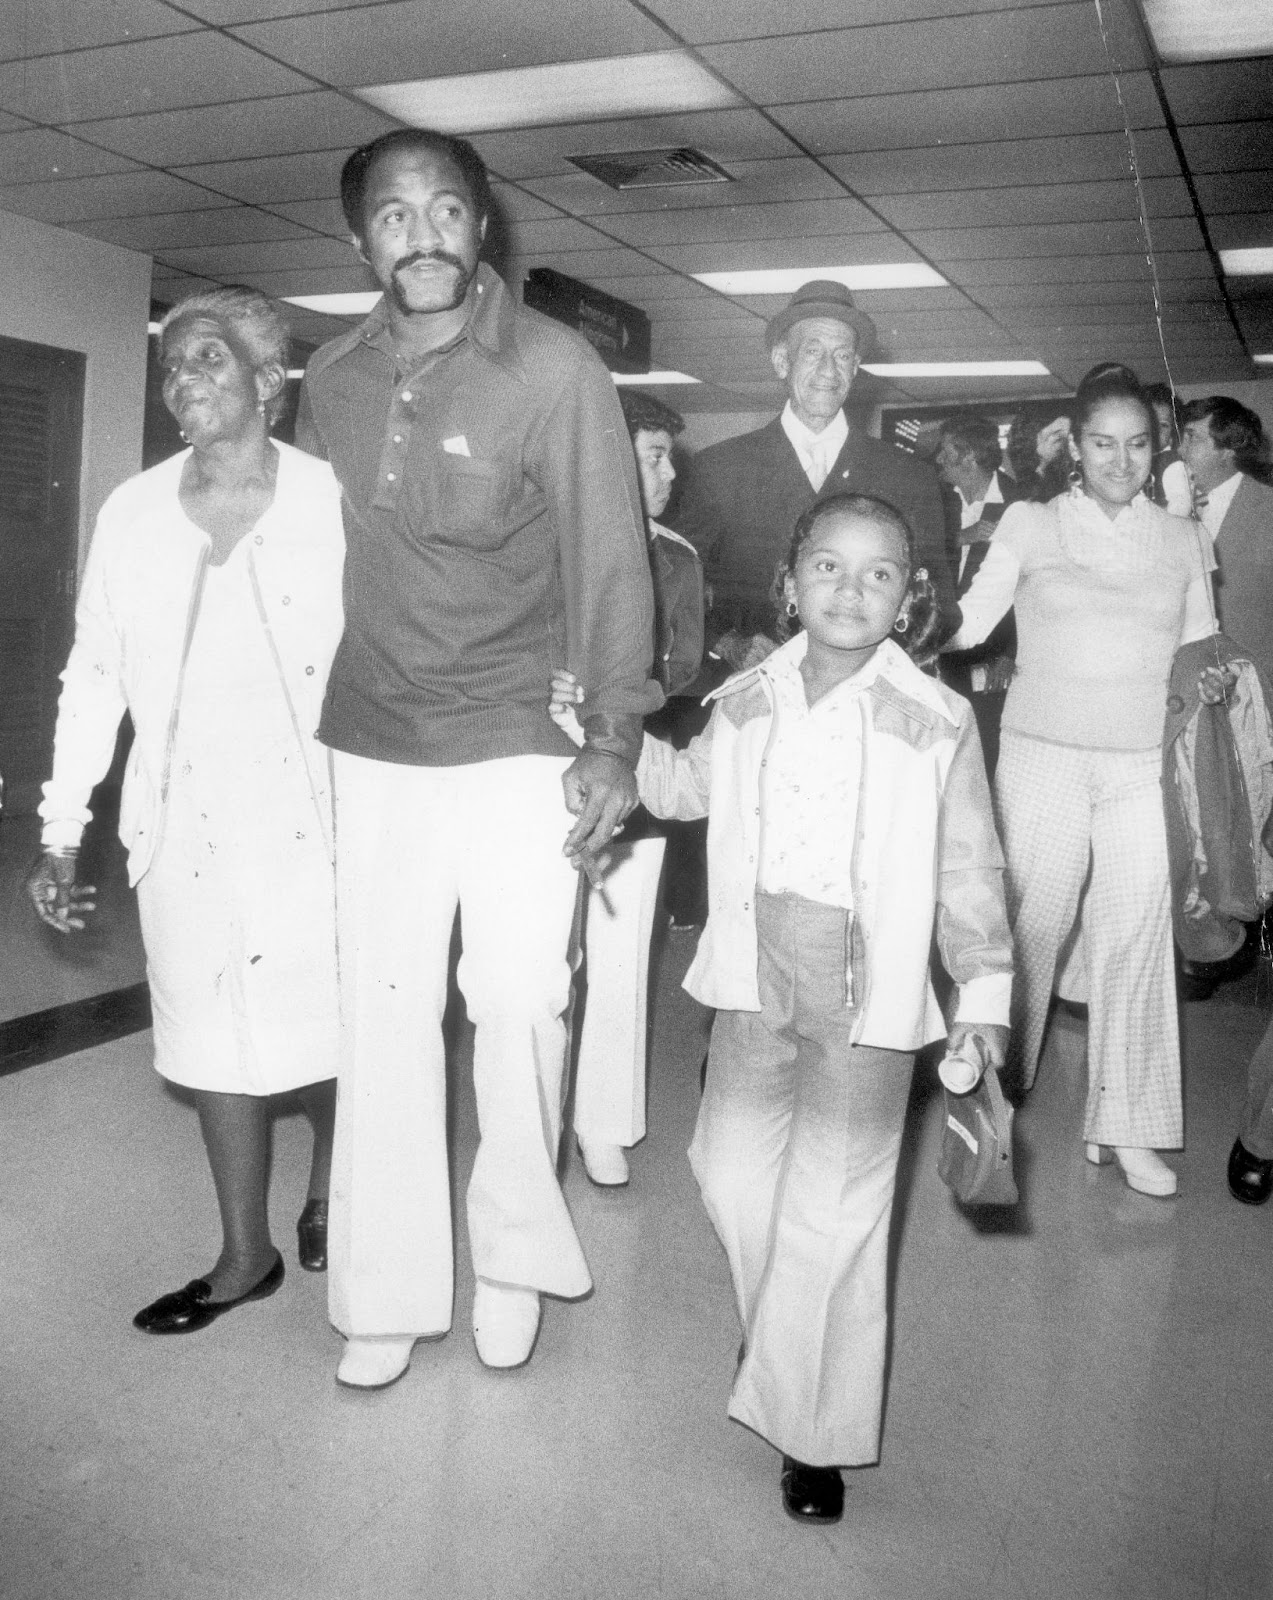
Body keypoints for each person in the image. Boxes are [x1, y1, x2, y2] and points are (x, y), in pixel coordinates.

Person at [557, 492, 1011, 1523]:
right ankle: (783, 1332)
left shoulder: (933, 721)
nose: (850, 590)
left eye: (879, 573)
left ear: (909, 599)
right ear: (791, 580)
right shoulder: (748, 695)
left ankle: (813, 1434)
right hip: (753, 977)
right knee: (727, 1172)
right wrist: (592, 734)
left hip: (867, 994)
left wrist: (983, 994)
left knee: (836, 1212)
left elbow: (970, 866)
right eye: (828, 567)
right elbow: (678, 791)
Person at [295, 127, 660, 1388]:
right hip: (377, 740)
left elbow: (610, 561)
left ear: (482, 226)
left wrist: (611, 737)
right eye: (393, 218)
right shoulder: (328, 379)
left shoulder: (556, 371)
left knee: (515, 1005)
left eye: (445, 210)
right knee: (383, 1015)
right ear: (362, 242)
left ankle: (511, 1261)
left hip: (517, 739)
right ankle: (387, 1290)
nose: (423, 236)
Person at [28, 287, 346, 1332]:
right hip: (185, 819)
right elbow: (94, 674)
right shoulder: (131, 509)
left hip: (321, 818)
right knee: (213, 1035)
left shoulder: (333, 499)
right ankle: (242, 1254)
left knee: (333, 1029)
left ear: (269, 380)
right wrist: (62, 830)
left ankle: (331, 1190)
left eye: (207, 359)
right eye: (171, 366)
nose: (183, 382)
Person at [946, 363, 1221, 1199]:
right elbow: (967, 623)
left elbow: (1198, 645)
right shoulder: (1029, 523)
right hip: (1039, 753)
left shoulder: (1182, 538)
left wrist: (1209, 685)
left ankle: (1126, 1125)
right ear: (1075, 443)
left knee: (1136, 934)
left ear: (1155, 450)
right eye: (1102, 443)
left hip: (1141, 761)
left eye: (1137, 445)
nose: (1119, 460)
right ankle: (1000, 1096)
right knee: (1028, 927)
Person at [673, 279, 956, 664]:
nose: (828, 370)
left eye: (842, 356)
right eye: (812, 351)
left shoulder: (908, 476)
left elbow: (940, 604)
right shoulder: (719, 469)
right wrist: (728, 643)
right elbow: (673, 588)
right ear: (781, 361)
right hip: (751, 694)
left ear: (855, 368)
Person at [572, 390, 704, 1188]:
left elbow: (680, 667)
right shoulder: (548, 539)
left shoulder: (676, 557)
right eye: (651, 456)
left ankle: (602, 1122)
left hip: (636, 758)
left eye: (667, 457)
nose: (665, 474)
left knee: (618, 951)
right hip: (535, 762)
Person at [935, 412, 1026, 776]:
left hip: (994, 655)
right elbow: (916, 553)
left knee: (990, 756)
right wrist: (960, 538)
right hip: (941, 652)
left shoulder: (1019, 505)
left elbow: (1030, 589)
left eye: (945, 452)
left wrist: (1012, 652)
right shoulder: (937, 501)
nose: (938, 460)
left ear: (969, 457)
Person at [1179, 396, 1273, 686]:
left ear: (1228, 450)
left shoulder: (1267, 509)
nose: (1180, 451)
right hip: (1189, 685)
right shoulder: (1175, 510)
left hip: (1255, 691)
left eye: (1192, 438)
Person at [1144, 382, 1192, 517]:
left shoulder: (1172, 464)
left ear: (1172, 433)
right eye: (1150, 422)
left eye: (1163, 425)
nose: (1155, 430)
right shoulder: (1141, 459)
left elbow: (1181, 505)